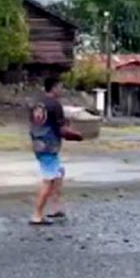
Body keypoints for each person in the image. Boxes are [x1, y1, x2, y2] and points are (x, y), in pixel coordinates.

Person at [28, 76, 82, 225]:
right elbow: (62, 130)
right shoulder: (55, 105)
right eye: (61, 87)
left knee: (59, 172)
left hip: (38, 143)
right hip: (49, 145)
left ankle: (55, 208)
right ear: (54, 87)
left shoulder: (36, 104)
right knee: (49, 180)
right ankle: (37, 215)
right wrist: (78, 136)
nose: (62, 90)